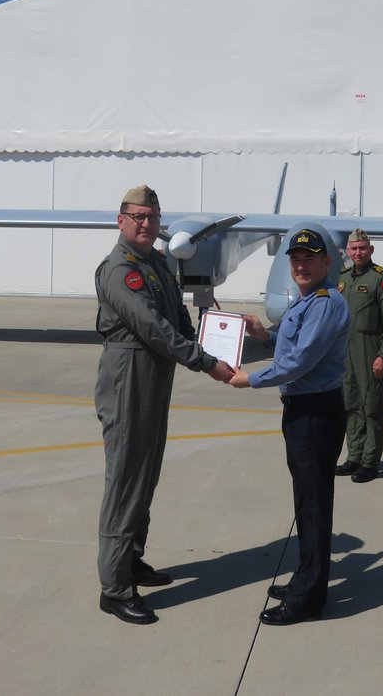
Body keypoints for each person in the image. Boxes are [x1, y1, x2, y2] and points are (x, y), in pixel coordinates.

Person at [94, 184, 234, 625]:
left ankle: (132, 559)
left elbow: (177, 317)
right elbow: (152, 326)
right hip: (129, 378)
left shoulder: (156, 264)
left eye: (152, 217)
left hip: (154, 376)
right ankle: (115, 588)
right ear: (121, 220)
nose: (146, 224)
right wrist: (206, 361)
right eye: (137, 216)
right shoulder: (120, 270)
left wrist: (210, 340)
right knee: (126, 480)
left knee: (146, 475)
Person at [230, 227, 350, 625]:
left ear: (326, 262)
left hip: (315, 413)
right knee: (306, 502)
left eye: (309, 259)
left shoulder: (326, 303)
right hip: (303, 411)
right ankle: (306, 577)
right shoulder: (307, 300)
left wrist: (250, 379)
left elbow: (299, 362)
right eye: (295, 259)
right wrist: (265, 335)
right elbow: (291, 344)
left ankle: (307, 600)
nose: (300, 265)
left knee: (314, 505)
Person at [335, 228, 383, 483]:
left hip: (370, 348)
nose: (358, 252)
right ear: (348, 251)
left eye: (363, 248)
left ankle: (370, 462)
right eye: (354, 248)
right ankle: (354, 456)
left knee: (371, 407)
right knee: (351, 404)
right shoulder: (342, 278)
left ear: (371, 250)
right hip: (346, 350)